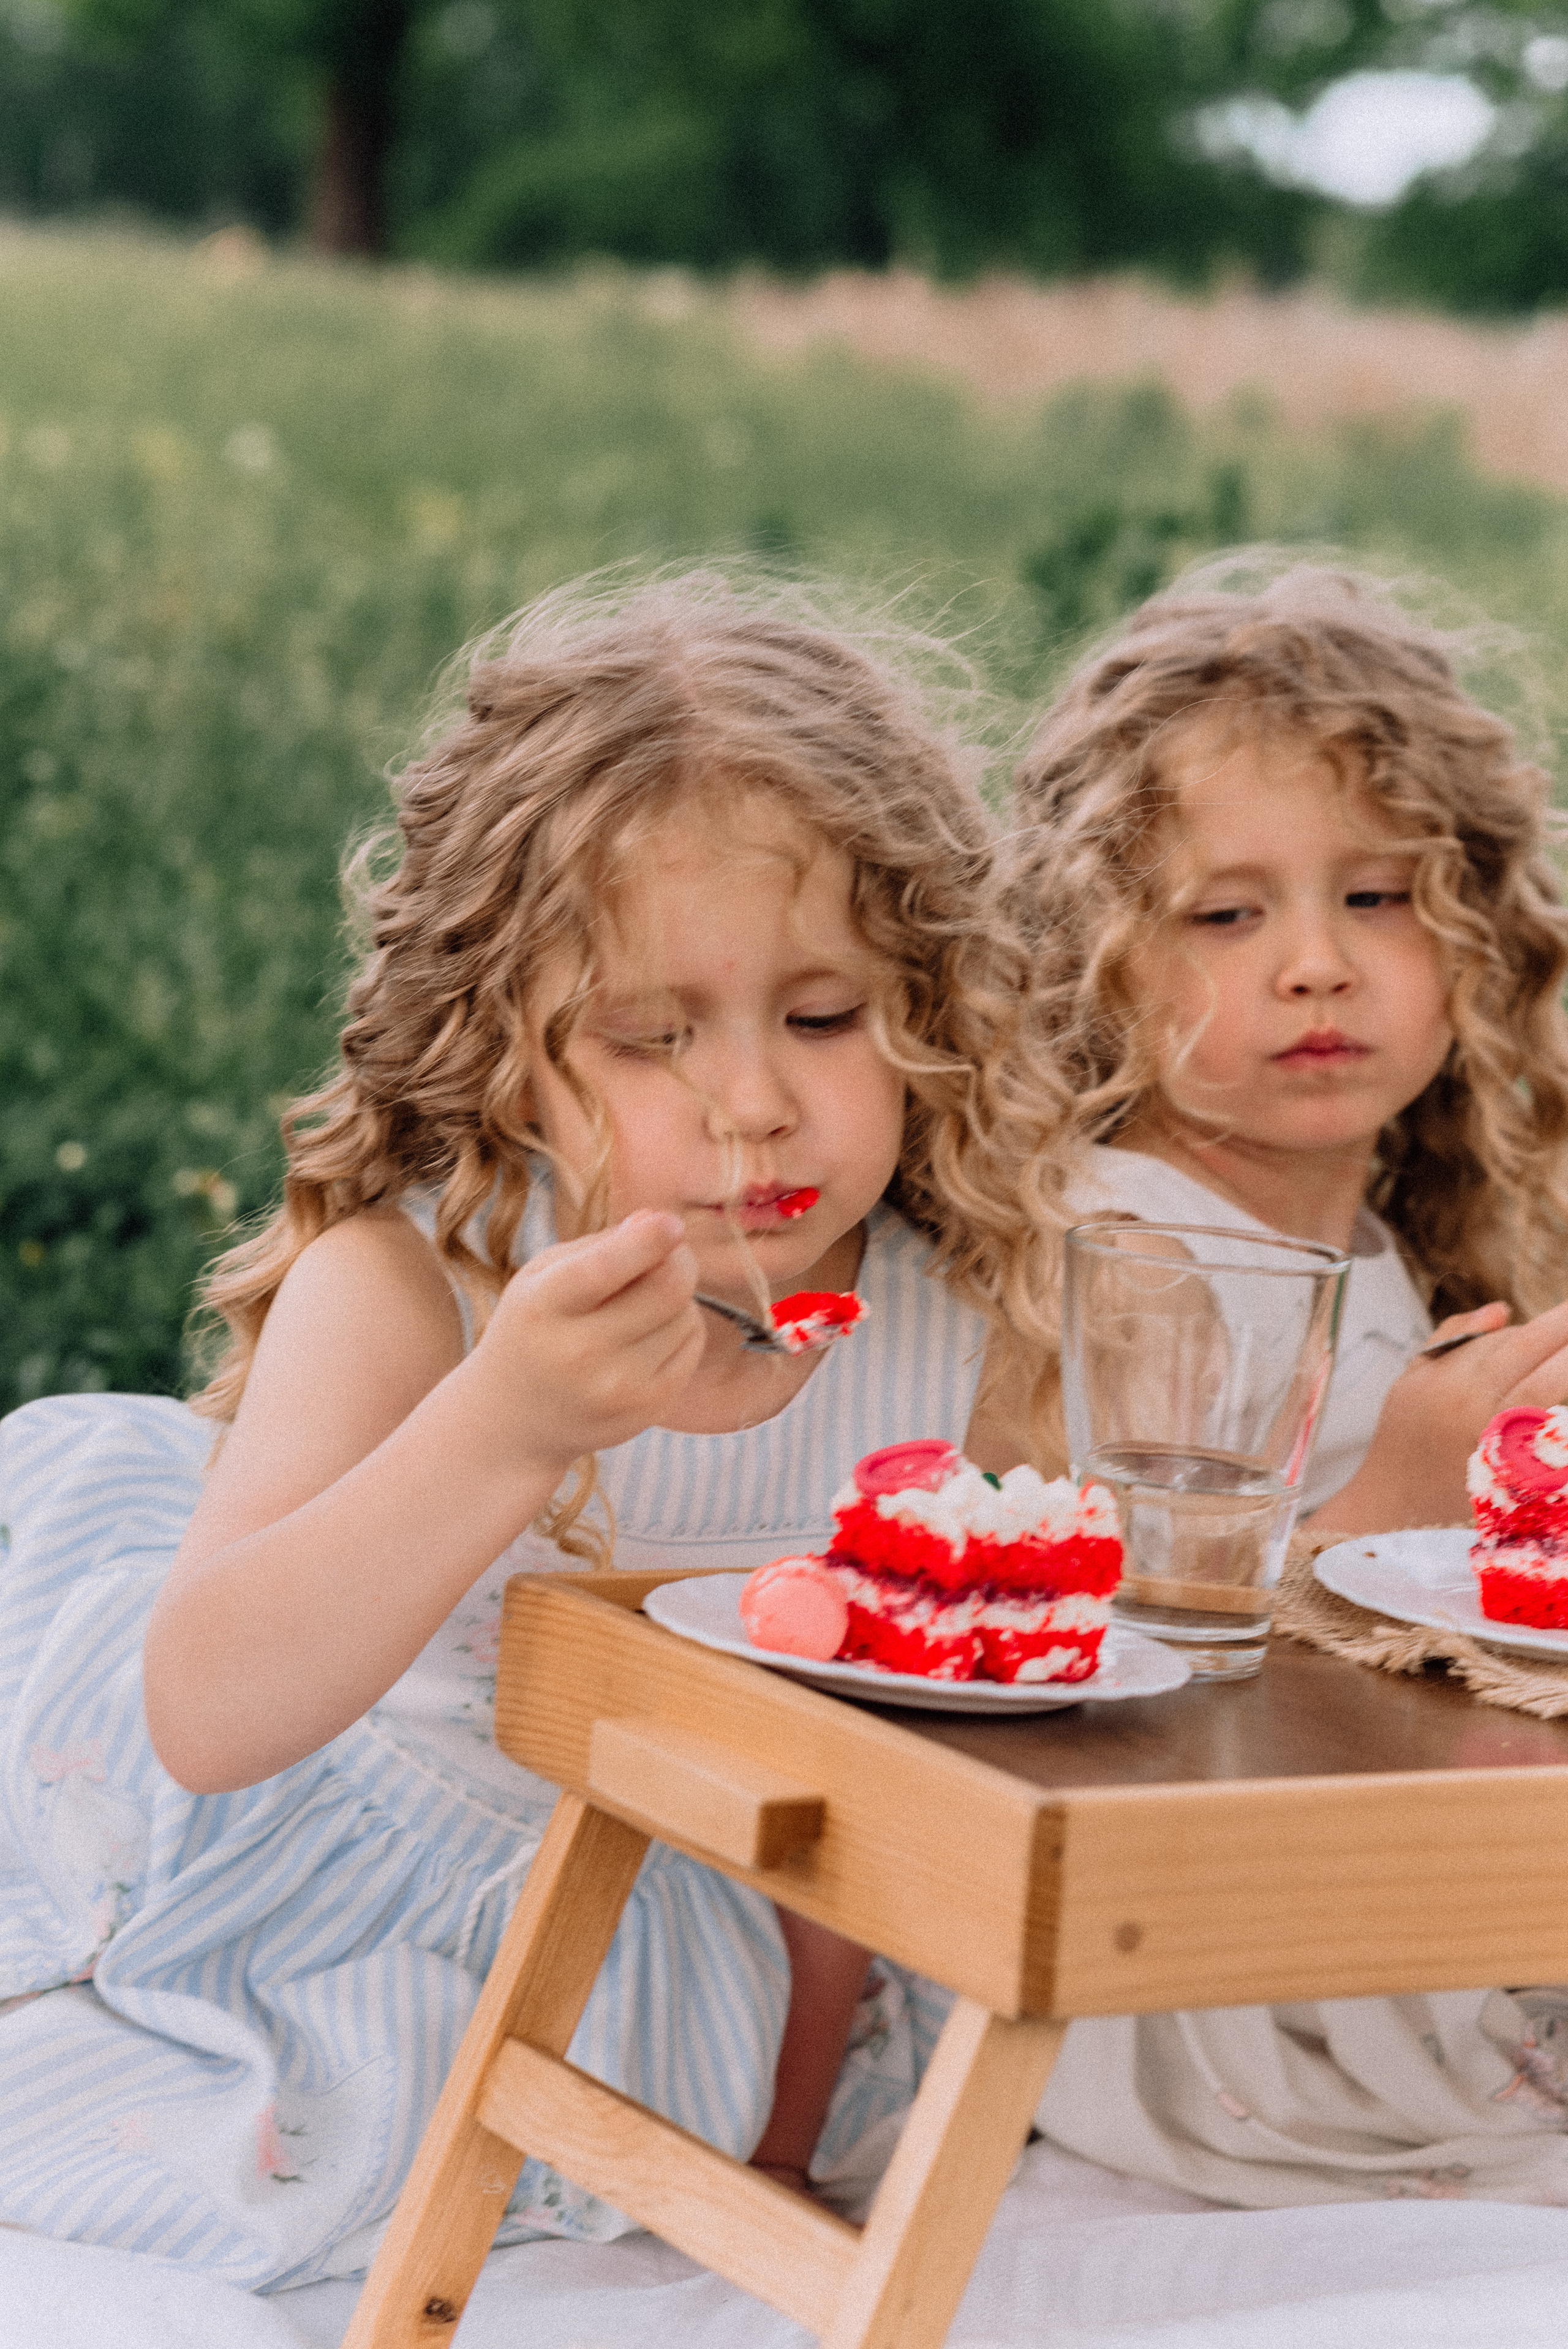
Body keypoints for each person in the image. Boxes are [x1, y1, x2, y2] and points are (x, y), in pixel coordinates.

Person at [0, 573, 1073, 2287]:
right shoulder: (415, 1283)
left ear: (934, 1008)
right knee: (219, 2168)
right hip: (334, 1870)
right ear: (502, 1051)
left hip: (714, 1938)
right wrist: (506, 1421)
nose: (756, 1100)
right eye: (654, 1035)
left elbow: (916, 1778)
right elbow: (210, 1711)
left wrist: (794, 2138)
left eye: (824, 1016)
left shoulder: (962, 1326)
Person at [1011, 555, 1568, 2205]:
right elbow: (1131, 1681)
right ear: (1097, 955)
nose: (1316, 964)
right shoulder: (1135, 1250)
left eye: (1378, 897)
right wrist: (1394, 1497)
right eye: (1225, 912)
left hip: (1365, 1850)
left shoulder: (1392, 1250)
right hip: (1211, 1949)